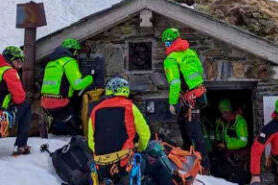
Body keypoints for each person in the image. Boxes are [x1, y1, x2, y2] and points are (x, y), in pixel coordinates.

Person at [87, 77, 173, 185]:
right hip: (125, 165)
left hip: (102, 168)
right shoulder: (129, 107)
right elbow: (145, 134)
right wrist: (140, 148)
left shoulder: (94, 111)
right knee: (158, 168)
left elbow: (91, 142)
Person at [162, 27, 210, 170]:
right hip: (200, 95)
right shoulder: (191, 52)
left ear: (169, 42)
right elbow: (200, 71)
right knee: (188, 129)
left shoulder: (171, 59)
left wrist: (172, 102)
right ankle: (192, 162)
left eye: (165, 43)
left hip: (190, 99)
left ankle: (202, 167)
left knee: (193, 133)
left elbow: (175, 83)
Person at [41, 38, 93, 135]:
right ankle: (64, 124)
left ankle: (51, 122)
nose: (77, 55)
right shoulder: (69, 62)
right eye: (77, 52)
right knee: (78, 130)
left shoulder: (51, 63)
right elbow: (77, 85)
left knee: (62, 121)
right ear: (73, 51)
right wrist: (90, 77)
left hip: (45, 104)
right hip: (60, 104)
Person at [211, 98, 250, 184]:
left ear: (231, 110)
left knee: (238, 180)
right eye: (222, 113)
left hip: (239, 158)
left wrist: (226, 145)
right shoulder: (226, 123)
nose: (224, 115)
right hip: (229, 157)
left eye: (225, 112)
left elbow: (243, 142)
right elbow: (223, 136)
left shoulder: (240, 122)